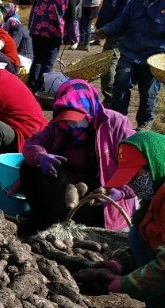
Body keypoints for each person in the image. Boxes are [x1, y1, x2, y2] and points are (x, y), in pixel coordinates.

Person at [84, 133, 165, 308]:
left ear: (154, 164)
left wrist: (124, 284)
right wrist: (119, 264)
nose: (132, 184)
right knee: (136, 235)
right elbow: (150, 244)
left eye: (136, 176)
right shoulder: (156, 194)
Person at [20, 78, 135, 233]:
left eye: (77, 119)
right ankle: (44, 221)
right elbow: (31, 145)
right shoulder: (58, 125)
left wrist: (121, 192)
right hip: (70, 187)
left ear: (89, 108)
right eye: (68, 120)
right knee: (29, 166)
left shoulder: (116, 124)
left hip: (99, 196)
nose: (72, 124)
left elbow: (139, 169)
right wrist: (40, 156)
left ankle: (63, 225)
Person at [96, 0, 165, 131]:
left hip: (154, 58)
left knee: (149, 94)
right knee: (121, 82)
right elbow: (122, 21)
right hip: (130, 52)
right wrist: (105, 30)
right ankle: (118, 123)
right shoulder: (137, 1)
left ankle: (143, 127)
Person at [96, 0, 144, 104]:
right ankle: (122, 95)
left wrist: (102, 25)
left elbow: (112, 3)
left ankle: (111, 96)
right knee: (127, 61)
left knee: (109, 60)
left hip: (118, 26)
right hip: (136, 28)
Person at [27, 0, 77, 93]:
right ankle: (39, 90)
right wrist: (73, 38)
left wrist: (30, 26)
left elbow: (33, 11)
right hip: (53, 34)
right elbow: (72, 19)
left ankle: (31, 87)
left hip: (37, 31)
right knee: (47, 64)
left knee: (37, 60)